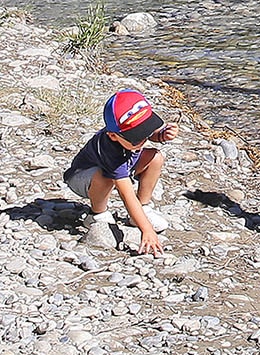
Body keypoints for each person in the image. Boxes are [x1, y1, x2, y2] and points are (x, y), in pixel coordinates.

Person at [63, 88, 180, 253]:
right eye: (136, 138)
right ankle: (96, 214)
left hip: (125, 165)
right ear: (113, 136)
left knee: (155, 157)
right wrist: (146, 230)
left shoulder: (127, 137)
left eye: (144, 132)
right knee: (105, 178)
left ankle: (143, 207)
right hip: (81, 178)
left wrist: (162, 135)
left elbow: (150, 134)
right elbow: (126, 194)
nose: (142, 140)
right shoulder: (110, 151)